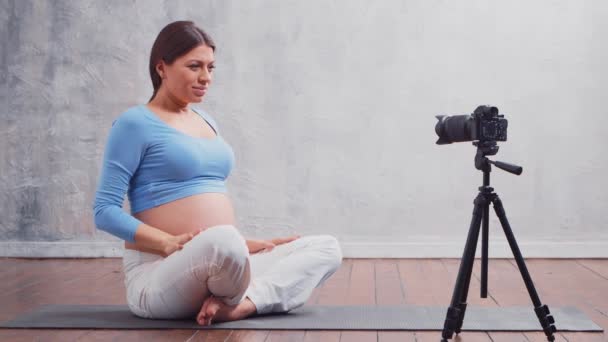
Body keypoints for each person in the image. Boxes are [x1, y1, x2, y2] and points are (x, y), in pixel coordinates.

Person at [92, 21, 342, 325]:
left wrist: (246, 245)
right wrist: (167, 243)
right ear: (162, 68)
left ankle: (244, 304)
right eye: (194, 66)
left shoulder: (205, 120)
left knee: (326, 248)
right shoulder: (134, 123)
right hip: (159, 272)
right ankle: (246, 291)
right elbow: (104, 211)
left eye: (211, 67)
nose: (205, 77)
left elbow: (209, 216)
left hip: (219, 257)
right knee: (224, 240)